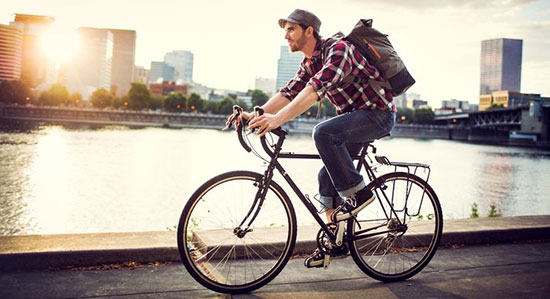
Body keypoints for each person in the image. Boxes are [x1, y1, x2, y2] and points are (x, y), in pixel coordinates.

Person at [227, 8, 396, 268]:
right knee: (326, 177)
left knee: (323, 132)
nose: (286, 35)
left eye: (291, 29)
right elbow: (289, 92)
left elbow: (315, 90)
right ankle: (337, 242)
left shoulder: (338, 50)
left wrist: (278, 120)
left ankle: (360, 196)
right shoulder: (309, 62)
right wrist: (255, 114)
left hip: (378, 115)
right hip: (354, 120)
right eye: (285, 30)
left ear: (309, 31)